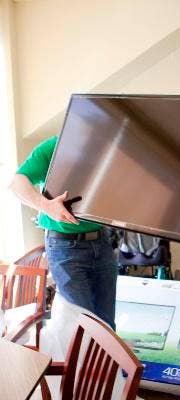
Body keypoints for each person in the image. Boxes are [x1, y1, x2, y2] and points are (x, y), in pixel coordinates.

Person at [9, 135, 118, 330]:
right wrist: (46, 206)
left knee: (106, 323)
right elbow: (17, 184)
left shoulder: (108, 146)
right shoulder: (53, 146)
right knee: (82, 323)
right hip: (65, 247)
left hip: (102, 241)